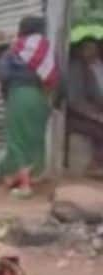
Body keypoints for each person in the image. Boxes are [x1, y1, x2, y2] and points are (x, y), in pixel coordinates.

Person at [0, 16, 58, 198]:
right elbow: (58, 77)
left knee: (17, 140)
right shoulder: (48, 49)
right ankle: (32, 176)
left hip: (20, 95)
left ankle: (25, 187)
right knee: (35, 139)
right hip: (41, 97)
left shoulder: (14, 49)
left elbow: (2, 74)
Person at [67, 38, 103, 177]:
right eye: (89, 48)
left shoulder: (92, 66)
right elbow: (74, 101)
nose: (93, 52)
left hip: (88, 113)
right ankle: (95, 166)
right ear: (81, 50)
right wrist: (97, 116)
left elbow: (96, 94)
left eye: (95, 48)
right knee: (100, 129)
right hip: (72, 116)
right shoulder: (76, 67)